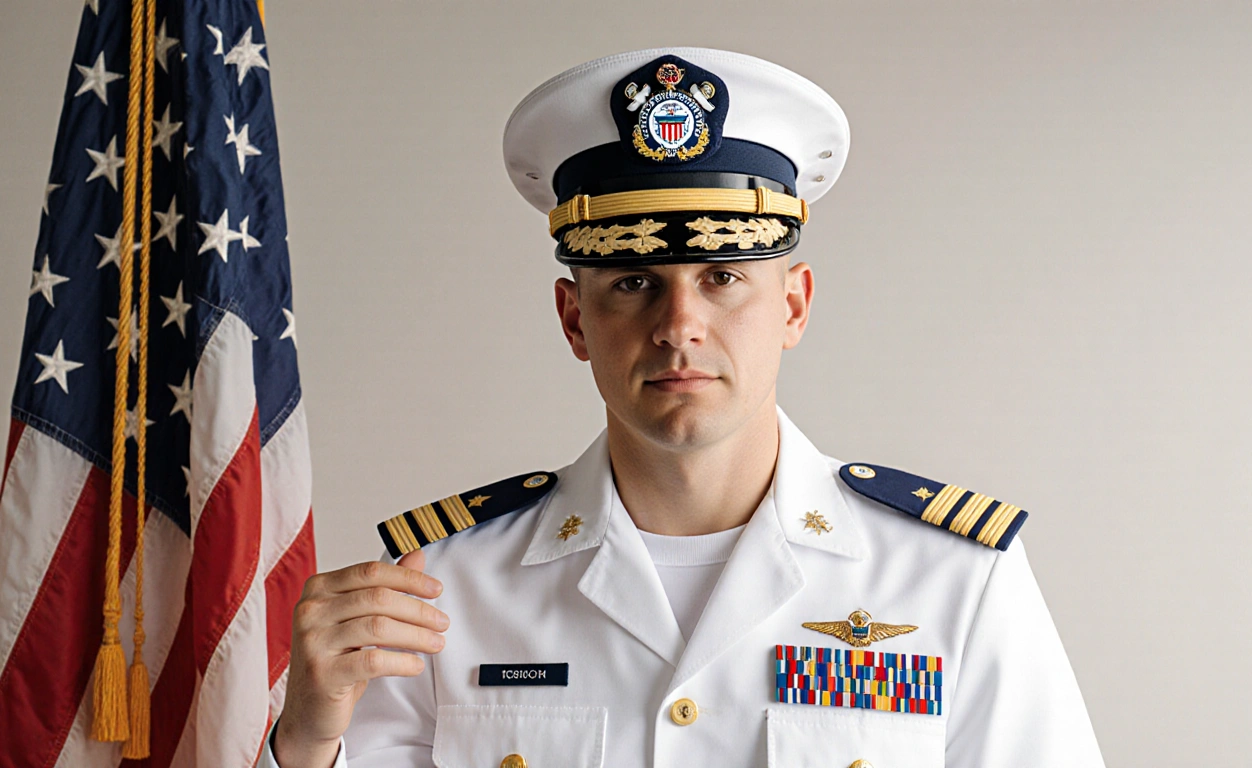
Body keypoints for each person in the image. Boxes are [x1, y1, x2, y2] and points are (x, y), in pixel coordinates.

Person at [260, 46, 1106, 768]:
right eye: (632, 282)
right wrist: (304, 744)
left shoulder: (952, 577)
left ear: (794, 306)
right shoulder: (442, 585)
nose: (679, 328)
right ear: (573, 319)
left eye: (724, 277)